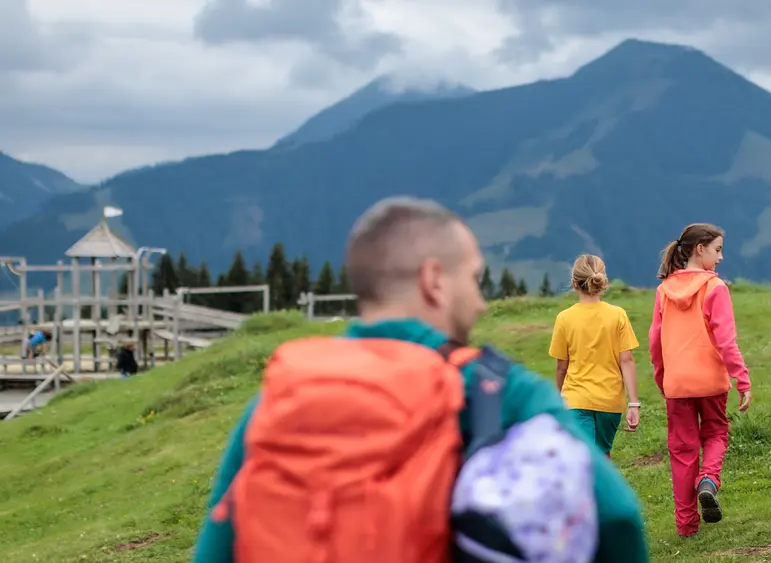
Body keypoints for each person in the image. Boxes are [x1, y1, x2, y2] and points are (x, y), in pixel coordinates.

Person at [192, 197, 648, 563]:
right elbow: (617, 517)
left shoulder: (283, 395)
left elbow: (217, 546)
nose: (481, 303)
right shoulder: (497, 390)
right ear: (434, 280)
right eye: (472, 279)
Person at [648, 223, 752, 538]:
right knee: (717, 434)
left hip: (677, 383)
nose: (721, 257)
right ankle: (708, 480)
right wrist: (742, 379)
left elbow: (655, 341)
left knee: (681, 451)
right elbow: (725, 339)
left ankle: (686, 526)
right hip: (711, 381)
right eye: (718, 250)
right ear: (700, 249)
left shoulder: (663, 290)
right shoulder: (715, 287)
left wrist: (663, 377)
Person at [548, 254, 641, 459]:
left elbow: (561, 367)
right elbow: (626, 360)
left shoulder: (564, 318)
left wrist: (557, 399)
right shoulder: (618, 315)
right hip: (610, 402)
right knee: (602, 456)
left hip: (576, 399)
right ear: (603, 282)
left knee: (582, 459)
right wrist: (633, 403)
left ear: (574, 284)